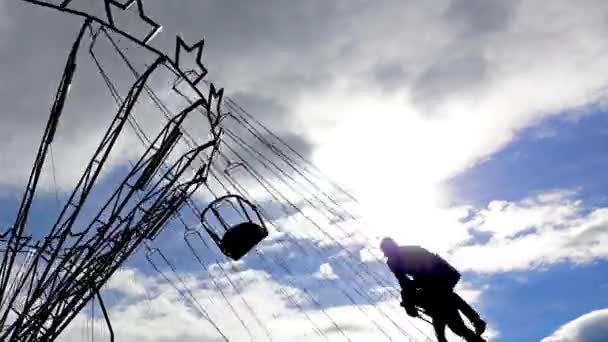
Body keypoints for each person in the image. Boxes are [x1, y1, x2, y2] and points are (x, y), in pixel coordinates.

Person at [380, 237, 486, 342]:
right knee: (444, 306)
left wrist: (409, 304)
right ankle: (474, 326)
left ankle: (473, 324)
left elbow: (407, 281)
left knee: (442, 302)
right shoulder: (400, 256)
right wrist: (409, 303)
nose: (388, 255)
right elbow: (404, 281)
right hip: (436, 279)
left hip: (437, 276)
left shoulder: (408, 252)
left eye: (387, 252)